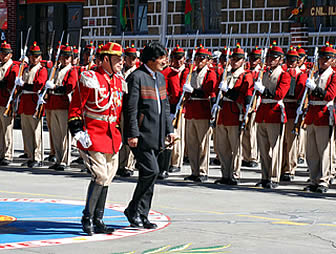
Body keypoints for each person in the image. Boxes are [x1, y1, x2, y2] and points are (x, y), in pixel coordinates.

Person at [68, 42, 124, 235]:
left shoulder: (118, 80)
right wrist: (77, 130)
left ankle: (99, 218)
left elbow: (117, 109)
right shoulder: (89, 77)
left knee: (107, 177)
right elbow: (76, 106)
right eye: (117, 59)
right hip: (93, 133)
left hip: (111, 134)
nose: (121, 62)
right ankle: (87, 217)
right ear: (106, 59)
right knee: (99, 175)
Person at [123, 41, 175, 229]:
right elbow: (131, 109)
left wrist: (170, 130)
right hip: (142, 135)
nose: (165, 61)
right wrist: (133, 134)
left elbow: (165, 105)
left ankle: (142, 214)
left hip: (157, 134)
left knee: (150, 175)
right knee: (151, 171)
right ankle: (133, 209)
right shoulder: (137, 77)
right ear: (151, 60)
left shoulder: (160, 77)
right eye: (162, 58)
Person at [214, 43, 253, 185]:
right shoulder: (226, 74)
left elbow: (245, 96)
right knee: (223, 147)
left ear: (243, 61)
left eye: (237, 59)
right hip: (223, 113)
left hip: (235, 113)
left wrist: (229, 92)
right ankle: (225, 174)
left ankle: (235, 174)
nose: (234, 61)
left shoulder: (245, 75)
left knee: (235, 147)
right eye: (233, 59)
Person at [254, 42, 291, 189]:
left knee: (275, 148)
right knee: (263, 148)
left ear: (281, 60)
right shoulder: (264, 72)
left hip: (274, 113)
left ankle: (274, 177)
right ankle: (264, 176)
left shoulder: (284, 74)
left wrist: (263, 90)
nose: (270, 60)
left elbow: (279, 94)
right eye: (269, 57)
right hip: (262, 112)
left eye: (274, 58)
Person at [303, 42, 336, 193]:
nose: (322, 61)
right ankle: (313, 179)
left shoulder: (333, 75)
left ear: (331, 60)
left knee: (324, 150)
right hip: (311, 115)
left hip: (324, 114)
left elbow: (330, 95)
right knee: (311, 151)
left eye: (326, 59)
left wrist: (314, 88)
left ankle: (323, 180)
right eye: (321, 58)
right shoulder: (314, 74)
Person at [183, 45, 217, 182]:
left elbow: (209, 90)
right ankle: (194, 170)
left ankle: (203, 171)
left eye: (202, 58)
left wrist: (193, 91)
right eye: (197, 58)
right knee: (191, 143)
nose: (198, 60)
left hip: (202, 109)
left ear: (208, 60)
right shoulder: (192, 72)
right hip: (191, 110)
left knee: (203, 143)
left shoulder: (210, 73)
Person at [45, 44, 78, 171]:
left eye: (67, 57)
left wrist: (54, 87)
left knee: (64, 135)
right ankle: (58, 159)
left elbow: (70, 87)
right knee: (56, 134)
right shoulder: (57, 69)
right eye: (63, 57)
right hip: (53, 103)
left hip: (64, 104)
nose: (65, 59)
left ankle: (64, 160)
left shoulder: (71, 70)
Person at [17, 42, 48, 168]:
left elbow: (38, 85)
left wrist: (23, 85)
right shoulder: (25, 69)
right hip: (25, 102)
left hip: (34, 103)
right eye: (32, 56)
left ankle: (38, 157)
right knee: (27, 132)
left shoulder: (42, 70)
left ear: (40, 57)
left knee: (36, 133)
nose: (33, 58)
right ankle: (30, 156)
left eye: (36, 56)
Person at [280, 47, 307, 181]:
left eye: (294, 60)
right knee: (281, 142)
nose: (291, 62)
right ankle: (281, 166)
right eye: (289, 60)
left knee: (290, 142)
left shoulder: (300, 75)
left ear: (297, 62)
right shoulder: (282, 73)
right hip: (282, 108)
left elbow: (302, 94)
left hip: (293, 109)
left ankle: (290, 168)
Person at [117, 44, 138, 178]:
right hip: (120, 107)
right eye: (129, 58)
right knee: (121, 136)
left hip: (131, 108)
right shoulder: (120, 71)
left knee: (130, 135)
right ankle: (121, 163)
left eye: (133, 58)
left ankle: (129, 165)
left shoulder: (137, 73)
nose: (131, 60)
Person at [0, 41, 19, 166]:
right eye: (2, 53)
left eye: (6, 54)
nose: (3, 56)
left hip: (6, 102)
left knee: (7, 129)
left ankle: (7, 154)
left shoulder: (13, 67)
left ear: (10, 55)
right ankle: (1, 153)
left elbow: (13, 85)